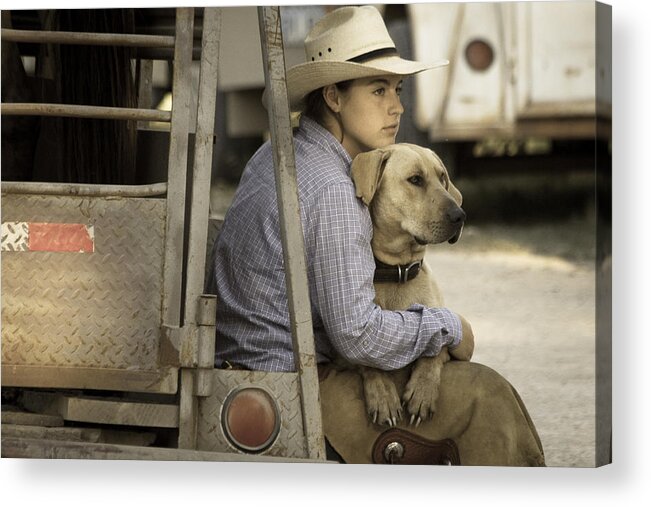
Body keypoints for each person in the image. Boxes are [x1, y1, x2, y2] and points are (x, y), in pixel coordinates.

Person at [212, 5, 545, 466]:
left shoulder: (277, 152)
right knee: (486, 399)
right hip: (292, 387)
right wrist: (448, 326)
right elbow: (359, 336)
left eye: (398, 89)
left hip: (245, 364)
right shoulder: (337, 190)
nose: (397, 106)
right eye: (378, 90)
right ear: (333, 96)